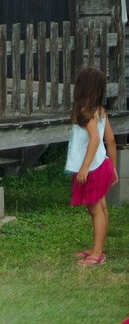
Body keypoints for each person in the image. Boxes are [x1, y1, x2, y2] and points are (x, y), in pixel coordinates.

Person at [65, 66, 119, 266]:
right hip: (102, 165)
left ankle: (97, 253)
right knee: (101, 207)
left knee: (95, 209)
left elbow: (96, 140)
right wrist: (112, 167)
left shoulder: (85, 112)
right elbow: (111, 140)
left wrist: (84, 167)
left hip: (92, 169)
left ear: (81, 88)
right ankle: (98, 247)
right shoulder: (100, 110)